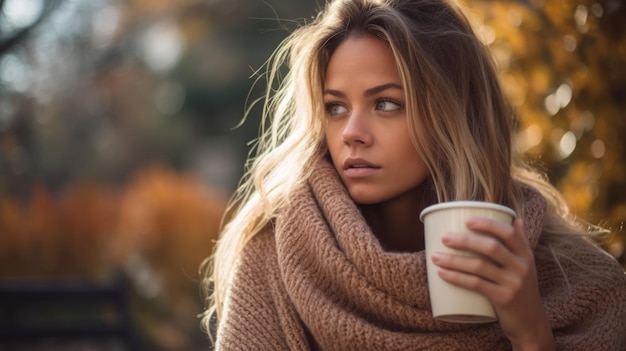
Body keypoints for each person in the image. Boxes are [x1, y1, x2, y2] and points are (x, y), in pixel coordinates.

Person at [200, 0, 626, 349]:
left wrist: (531, 332)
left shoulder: (580, 282)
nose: (351, 133)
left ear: (455, 114)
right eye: (335, 107)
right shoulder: (276, 256)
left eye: (385, 103)